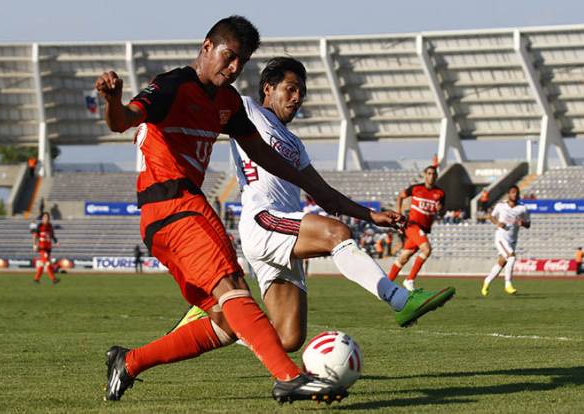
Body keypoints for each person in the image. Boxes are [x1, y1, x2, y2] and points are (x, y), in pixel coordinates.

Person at [95, 16, 349, 405]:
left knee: (227, 321)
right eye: (228, 57)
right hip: (177, 205)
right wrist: (112, 100)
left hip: (160, 222)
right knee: (233, 289)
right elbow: (123, 121)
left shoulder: (227, 103)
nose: (232, 69)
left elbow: (263, 153)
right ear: (207, 46)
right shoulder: (172, 86)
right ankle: (288, 376)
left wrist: (319, 190)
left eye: (240, 63)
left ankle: (129, 362)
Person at [174, 57, 455, 356]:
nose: (297, 98)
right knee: (337, 233)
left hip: (286, 228)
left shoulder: (295, 145)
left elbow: (324, 194)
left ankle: (215, 316)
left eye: (301, 93)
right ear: (268, 88)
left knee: (287, 339)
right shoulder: (247, 108)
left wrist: (371, 215)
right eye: (291, 89)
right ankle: (399, 299)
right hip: (264, 219)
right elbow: (202, 104)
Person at [388, 166, 445, 291]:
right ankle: (410, 279)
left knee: (404, 257)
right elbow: (401, 196)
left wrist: (440, 210)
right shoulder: (416, 188)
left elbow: (440, 212)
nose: (431, 176)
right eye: (429, 173)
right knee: (426, 249)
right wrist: (398, 213)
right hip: (412, 225)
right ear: (425, 175)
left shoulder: (440, 193)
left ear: (436, 176)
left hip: (423, 229)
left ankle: (385, 285)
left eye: (433, 174)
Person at [481, 185, 531, 296]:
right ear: (509, 194)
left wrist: (523, 223)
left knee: (501, 263)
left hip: (512, 240)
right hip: (501, 237)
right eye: (513, 192)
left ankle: (487, 281)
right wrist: (497, 223)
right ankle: (508, 284)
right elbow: (491, 216)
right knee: (512, 257)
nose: (515, 194)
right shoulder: (501, 206)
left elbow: (528, 224)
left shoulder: (522, 208)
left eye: (516, 192)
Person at [32, 212, 60, 284]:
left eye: (47, 217)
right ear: (42, 218)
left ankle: (36, 279)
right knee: (47, 263)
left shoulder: (50, 226)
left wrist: (56, 242)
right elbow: (36, 236)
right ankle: (53, 279)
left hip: (48, 247)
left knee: (42, 264)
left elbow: (52, 235)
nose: (46, 218)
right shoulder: (40, 226)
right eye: (44, 217)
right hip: (42, 247)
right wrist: (35, 244)